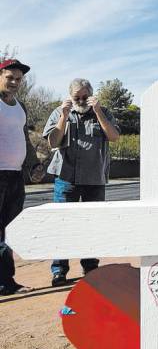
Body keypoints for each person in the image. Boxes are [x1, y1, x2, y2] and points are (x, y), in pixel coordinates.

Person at [43, 78, 120, 287]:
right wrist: (64, 116)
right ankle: (59, 270)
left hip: (95, 179)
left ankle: (90, 267)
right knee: (62, 225)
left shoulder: (103, 112)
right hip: (66, 178)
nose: (82, 100)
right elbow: (53, 141)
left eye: (85, 96)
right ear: (70, 96)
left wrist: (99, 112)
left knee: (92, 225)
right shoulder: (59, 112)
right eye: (77, 97)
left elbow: (114, 137)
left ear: (92, 95)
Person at [0, 58, 44, 296]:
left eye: (19, 79)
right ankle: (5, 283)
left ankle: (7, 281)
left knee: (10, 230)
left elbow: (24, 139)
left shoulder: (21, 107)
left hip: (15, 175)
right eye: (10, 78)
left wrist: (33, 164)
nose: (15, 82)